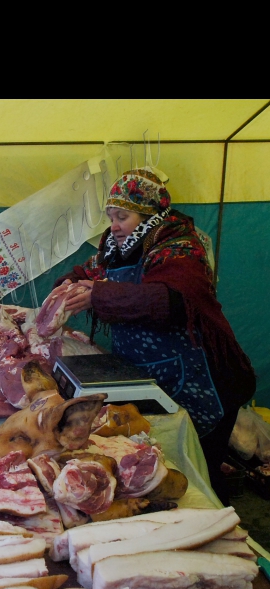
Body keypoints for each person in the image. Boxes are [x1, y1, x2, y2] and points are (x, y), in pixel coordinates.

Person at [56, 167, 256, 506]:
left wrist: (99, 294)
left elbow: (169, 301)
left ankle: (220, 527)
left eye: (123, 216)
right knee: (160, 471)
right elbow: (88, 271)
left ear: (150, 216)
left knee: (198, 477)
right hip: (153, 376)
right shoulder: (115, 248)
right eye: (110, 216)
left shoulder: (180, 248)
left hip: (203, 380)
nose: (114, 225)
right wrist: (66, 286)